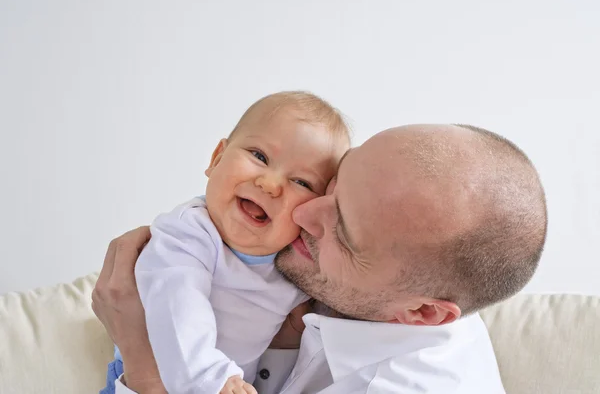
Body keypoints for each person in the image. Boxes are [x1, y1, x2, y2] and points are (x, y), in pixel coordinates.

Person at [93, 123, 547, 394]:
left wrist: (148, 372)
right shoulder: (362, 287)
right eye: (332, 183)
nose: (302, 211)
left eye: (343, 232)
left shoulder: (404, 383)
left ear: (422, 312)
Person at [99, 91, 351, 394]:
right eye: (259, 156)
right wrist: (213, 378)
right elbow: (178, 308)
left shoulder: (292, 260)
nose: (269, 184)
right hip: (158, 376)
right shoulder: (190, 233)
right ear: (216, 158)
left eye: (302, 182)